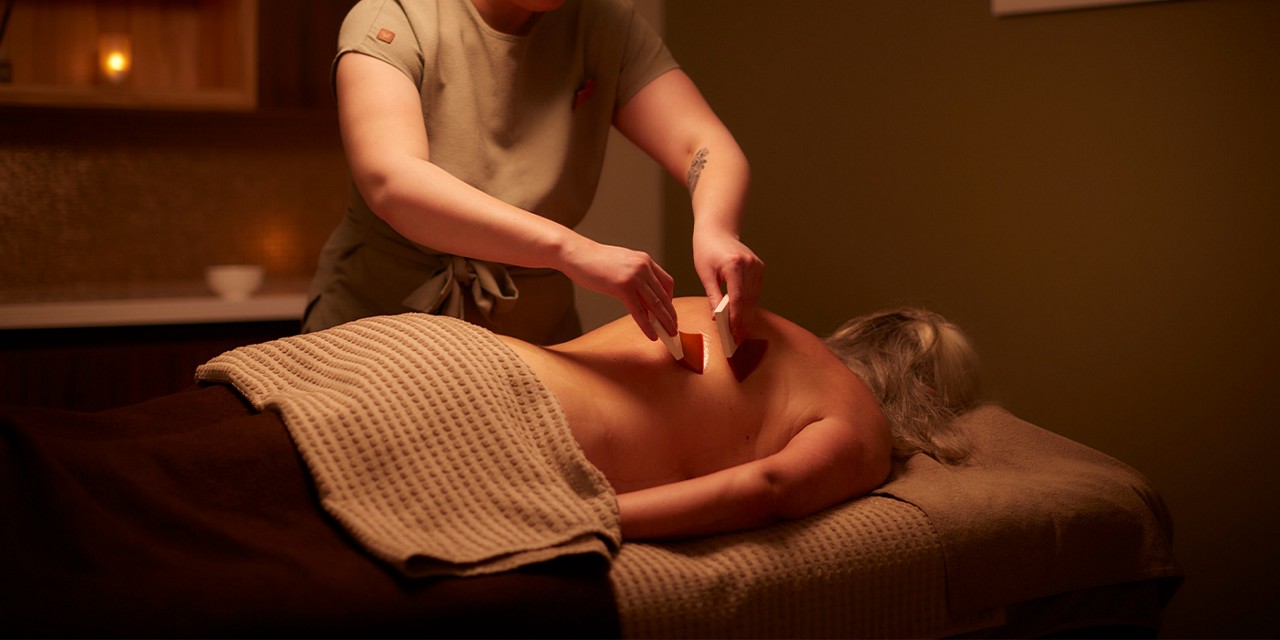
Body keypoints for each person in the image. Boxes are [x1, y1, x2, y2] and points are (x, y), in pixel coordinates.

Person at [303, 0, 764, 349]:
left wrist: (717, 229)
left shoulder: (603, 24)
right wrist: (570, 249)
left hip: (537, 338)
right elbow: (393, 182)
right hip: (382, 327)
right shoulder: (393, 16)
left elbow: (700, 143)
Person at [497, 297, 982, 538]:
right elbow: (765, 488)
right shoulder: (861, 425)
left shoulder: (753, 319)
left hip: (457, 350)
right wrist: (587, 520)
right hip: (517, 434)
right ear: (927, 397)